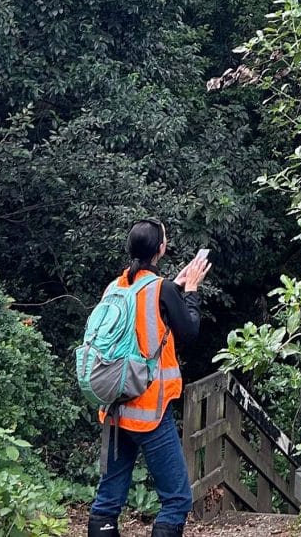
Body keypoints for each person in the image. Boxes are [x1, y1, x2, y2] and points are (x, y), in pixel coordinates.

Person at [88, 219, 211, 537]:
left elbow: (144, 318)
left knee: (107, 502)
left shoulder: (115, 287)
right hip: (150, 411)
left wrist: (175, 287)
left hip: (115, 406)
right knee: (177, 500)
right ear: (161, 248)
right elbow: (189, 331)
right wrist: (191, 291)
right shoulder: (161, 290)